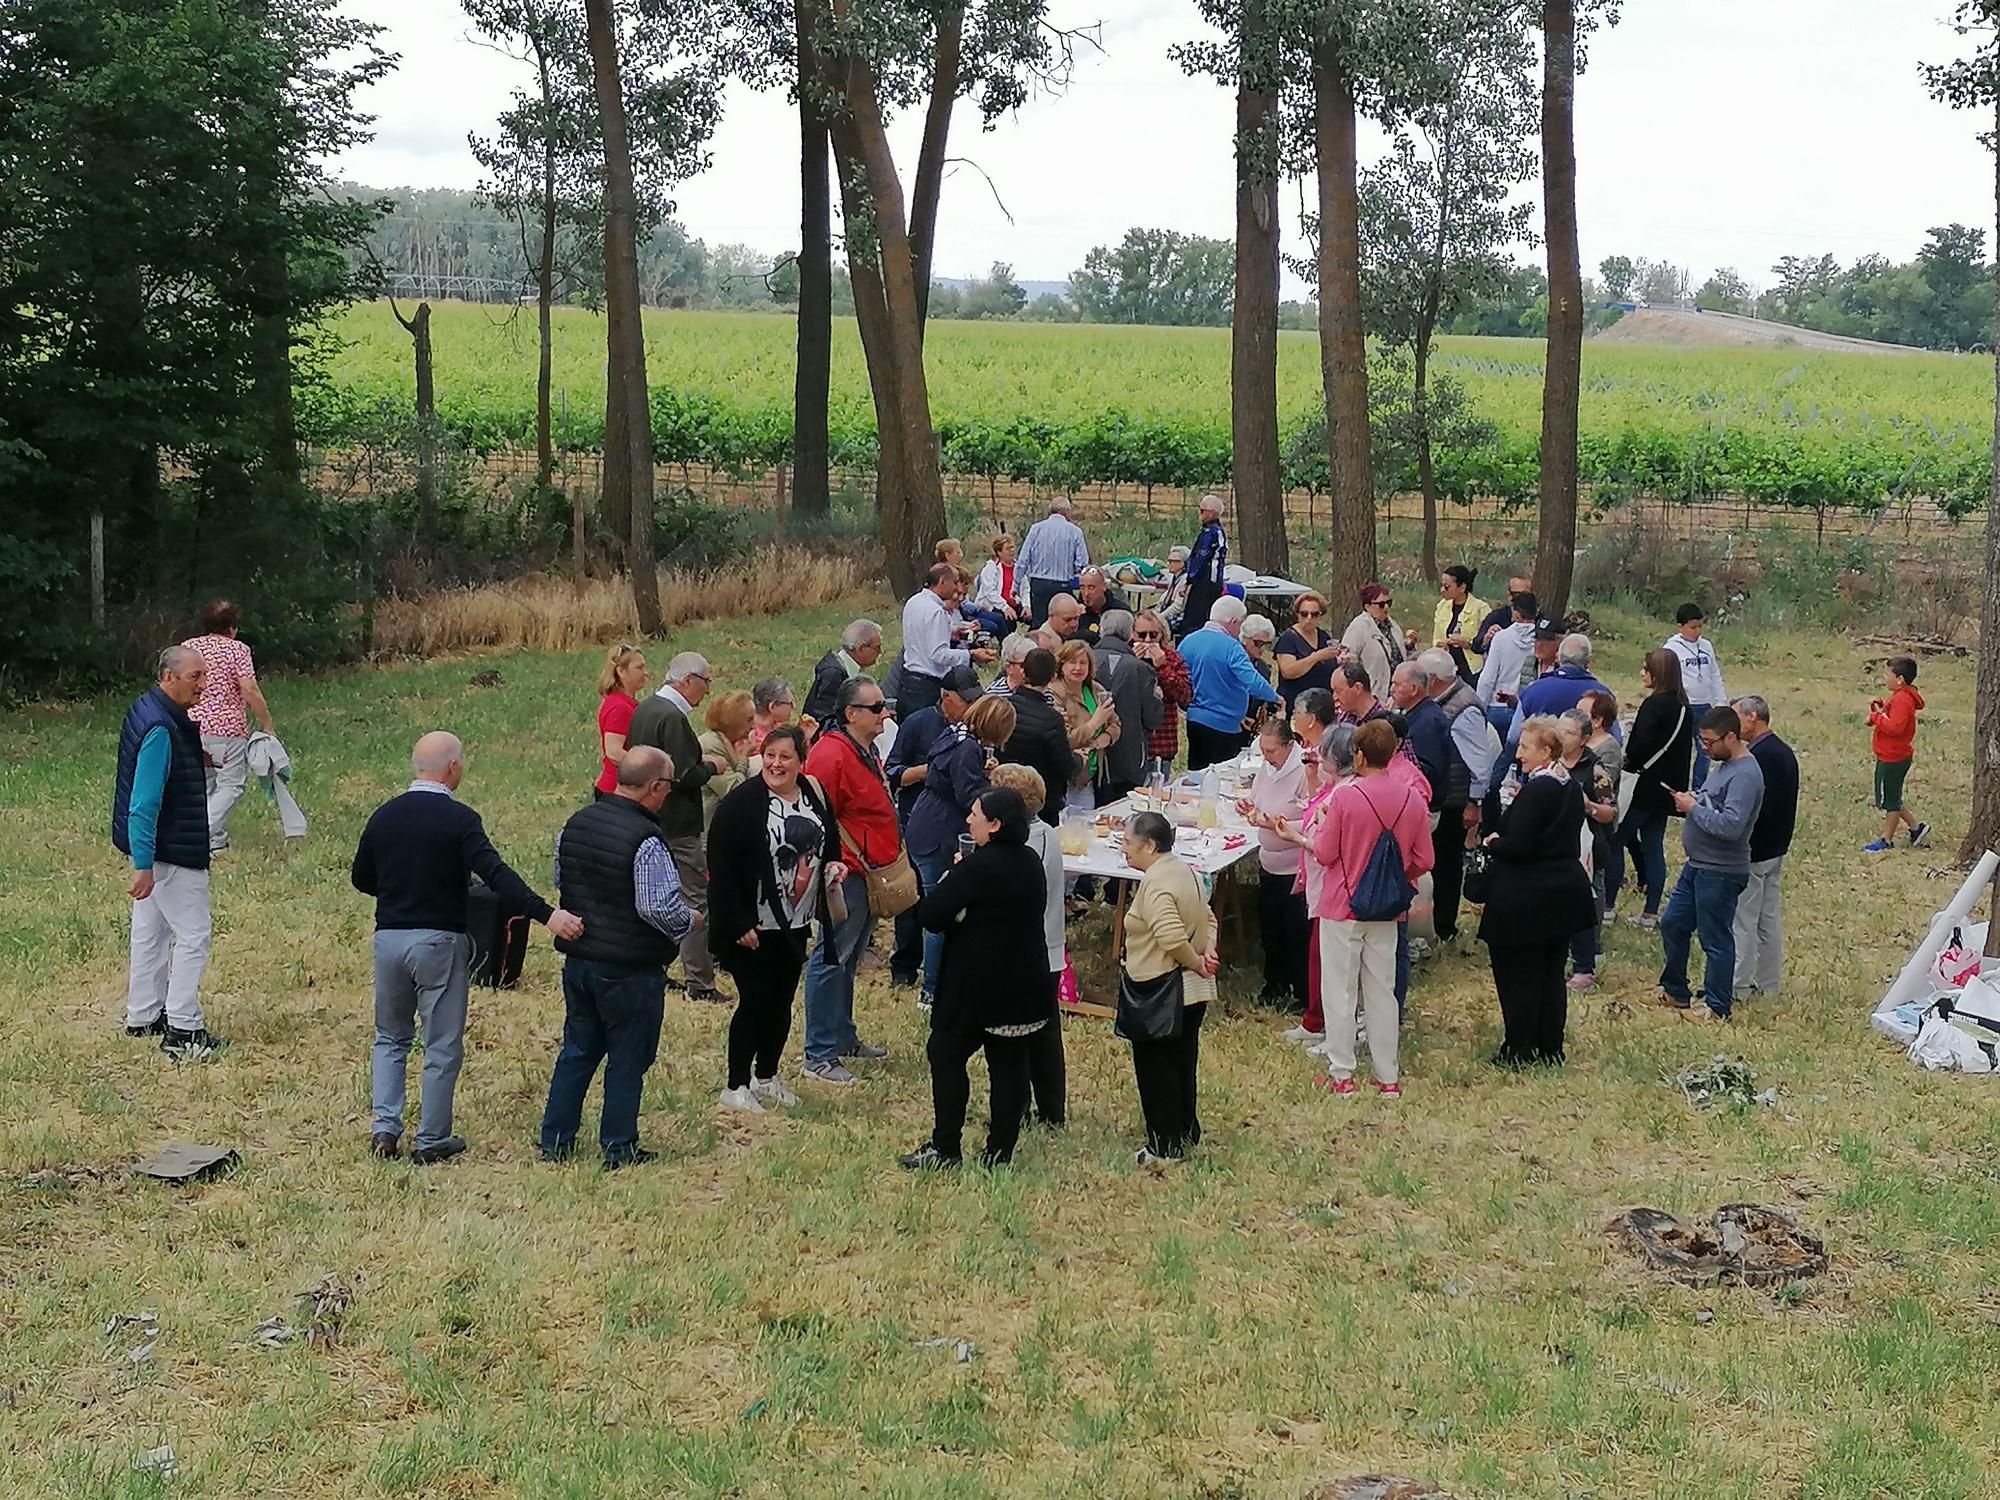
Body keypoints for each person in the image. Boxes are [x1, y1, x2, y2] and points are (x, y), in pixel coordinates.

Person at [353, 730, 582, 1162]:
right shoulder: (460, 820)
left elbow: (361, 878)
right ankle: (431, 1137)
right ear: (453, 767)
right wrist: (546, 914)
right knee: (440, 1043)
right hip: (439, 939)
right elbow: (497, 875)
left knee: (389, 1036)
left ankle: (385, 1128)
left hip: (388, 938)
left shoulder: (384, 816)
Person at [536, 747, 696, 1167]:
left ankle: (555, 1139)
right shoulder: (645, 838)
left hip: (581, 960)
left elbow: (560, 876)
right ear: (655, 787)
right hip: (630, 967)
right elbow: (656, 906)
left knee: (578, 1051)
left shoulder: (577, 823)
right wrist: (689, 922)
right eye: (668, 787)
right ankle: (619, 1146)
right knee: (628, 1058)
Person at [900, 787, 1051, 1169]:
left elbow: (931, 915)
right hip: (1023, 985)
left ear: (995, 825)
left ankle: (945, 1147)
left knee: (945, 1054)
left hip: (977, 989)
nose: (969, 820)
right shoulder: (1030, 860)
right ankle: (999, 1153)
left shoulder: (977, 868)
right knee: (1009, 1068)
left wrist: (954, 877)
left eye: (976, 814)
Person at [707, 726, 846, 1115]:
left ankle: (765, 1076)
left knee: (782, 1001)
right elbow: (722, 868)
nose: (776, 764)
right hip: (753, 925)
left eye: (786, 756)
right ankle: (735, 1085)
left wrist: (834, 864)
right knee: (755, 1003)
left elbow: (828, 837)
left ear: (801, 761)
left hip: (796, 923)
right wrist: (737, 922)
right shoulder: (742, 805)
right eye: (770, 755)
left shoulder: (812, 794)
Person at [1310, 720, 1433, 1098]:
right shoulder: (1412, 797)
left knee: (1340, 992)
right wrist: (1395, 876)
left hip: (1342, 906)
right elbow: (1424, 858)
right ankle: (1387, 1076)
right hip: (1388, 908)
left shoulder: (1345, 799)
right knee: (1382, 991)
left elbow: (1325, 853)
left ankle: (1342, 1074)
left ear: (1359, 755)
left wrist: (1320, 826)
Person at [115, 646, 222, 1054]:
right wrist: (143, 864)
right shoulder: (161, 728)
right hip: (173, 851)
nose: (203, 684)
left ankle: (143, 1014)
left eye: (204, 675)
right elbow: (144, 802)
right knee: (194, 935)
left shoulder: (148, 711)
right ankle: (183, 1029)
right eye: (195, 676)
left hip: (157, 848)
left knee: (150, 932)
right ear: (168, 676)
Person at [1478, 718, 1596, 1066]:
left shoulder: (1538, 790)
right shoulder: (1568, 785)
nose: (1518, 753)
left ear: (1547, 751)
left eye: (1526, 747)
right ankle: (1549, 1046)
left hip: (1527, 896)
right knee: (1550, 973)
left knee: (1518, 976)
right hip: (1562, 892)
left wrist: (1494, 841)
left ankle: (1519, 1047)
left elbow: (1521, 844)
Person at [801, 677, 900, 1084]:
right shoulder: (831, 756)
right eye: (876, 708)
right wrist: (832, 868)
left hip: (869, 869)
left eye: (884, 707)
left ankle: (841, 1037)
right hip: (846, 873)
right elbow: (817, 816)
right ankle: (818, 1054)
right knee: (831, 958)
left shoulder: (863, 749)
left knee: (849, 957)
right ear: (850, 713)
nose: (885, 714)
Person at [627, 654, 729, 1005]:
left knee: (653, 897)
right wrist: (711, 767)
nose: (707, 690)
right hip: (678, 823)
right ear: (688, 680)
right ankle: (700, 982)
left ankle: (654, 966)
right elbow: (684, 775)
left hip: (648, 817)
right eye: (706, 681)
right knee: (693, 897)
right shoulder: (672, 717)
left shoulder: (646, 709)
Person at [1653, 706, 1765, 1023]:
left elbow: (1732, 826)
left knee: (1715, 939)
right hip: (1698, 865)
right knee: (1673, 923)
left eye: (1710, 741)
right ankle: (1676, 990)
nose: (1705, 748)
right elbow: (1715, 802)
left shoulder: (1745, 773)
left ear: (1731, 736)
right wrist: (1698, 798)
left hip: (1721, 870)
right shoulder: (1725, 765)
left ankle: (1717, 1007)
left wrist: (1692, 809)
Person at [1119, 811, 1219, 1163]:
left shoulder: (1156, 883)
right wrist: (1208, 951)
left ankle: (1163, 1147)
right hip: (1193, 991)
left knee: (1156, 1069)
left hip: (1161, 990)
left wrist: (1193, 960)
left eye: (1129, 842)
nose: (1123, 848)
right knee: (1182, 1063)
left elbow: (1169, 935)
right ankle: (1185, 1130)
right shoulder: (1185, 871)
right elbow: (1208, 916)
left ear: (1150, 845)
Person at [907, 695, 1018, 1005]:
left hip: (924, 820)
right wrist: (998, 789)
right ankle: (930, 989)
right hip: (940, 830)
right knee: (940, 910)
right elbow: (969, 795)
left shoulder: (956, 733)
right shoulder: (968, 748)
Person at [883, 664, 983, 989]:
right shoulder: (919, 723)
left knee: (942, 902)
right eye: (964, 700)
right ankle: (904, 968)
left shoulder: (973, 729)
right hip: (918, 817)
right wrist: (932, 770)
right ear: (946, 697)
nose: (970, 706)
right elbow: (892, 771)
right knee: (913, 903)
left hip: (954, 828)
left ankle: (939, 973)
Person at [988, 763, 1068, 1127]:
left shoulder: (1020, 845)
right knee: (1047, 1036)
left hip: (1024, 951)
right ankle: (1052, 1108)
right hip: (1050, 947)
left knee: (1016, 1036)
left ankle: (1016, 1106)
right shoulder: (1048, 833)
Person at [1414, 649, 1498, 944]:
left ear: (1433, 679)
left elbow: (1480, 761)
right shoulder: (1446, 700)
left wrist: (1474, 802)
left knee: (1447, 864)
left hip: (1454, 799)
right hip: (1447, 794)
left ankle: (1443, 925)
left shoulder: (1465, 709)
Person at [181, 599, 277, 851]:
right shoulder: (237, 650)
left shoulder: (188, 648)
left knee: (205, 784)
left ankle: (216, 842)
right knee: (231, 785)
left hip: (190, 727)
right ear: (232, 627)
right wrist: (267, 724)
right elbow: (249, 689)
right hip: (226, 731)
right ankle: (201, 834)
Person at [1618, 649, 1693, 930]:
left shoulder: (1654, 705)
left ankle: (1609, 904)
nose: (1641, 673)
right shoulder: (1684, 707)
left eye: (1645, 668)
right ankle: (1651, 911)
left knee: (1617, 840)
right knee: (1653, 846)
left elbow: (1639, 747)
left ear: (1656, 674)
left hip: (1643, 785)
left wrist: (1630, 748)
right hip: (1666, 788)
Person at [1731, 695, 1798, 1001]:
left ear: (1753, 716)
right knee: (1768, 918)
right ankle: (1769, 983)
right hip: (1777, 846)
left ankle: (1738, 986)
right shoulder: (1783, 751)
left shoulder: (1759, 756)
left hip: (1756, 849)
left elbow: (1759, 807)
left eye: (1737, 718)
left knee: (1744, 919)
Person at [1242, 716, 1311, 1007]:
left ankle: (1301, 989)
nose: (1267, 757)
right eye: (1263, 751)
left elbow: (1310, 818)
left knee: (1295, 932)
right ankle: (1275, 982)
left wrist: (1273, 823)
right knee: (1271, 929)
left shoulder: (1304, 771)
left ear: (1289, 746)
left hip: (1293, 866)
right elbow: (1257, 798)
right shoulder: (1267, 768)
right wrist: (1249, 806)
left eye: (1271, 752)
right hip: (1269, 861)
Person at [1181, 596, 1282, 770]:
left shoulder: (1188, 641)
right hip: (1224, 725)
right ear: (1234, 621)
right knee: (1222, 777)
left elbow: (1181, 678)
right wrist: (1275, 697)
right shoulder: (1231, 647)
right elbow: (1252, 681)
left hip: (1195, 719)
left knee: (1196, 773)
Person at [1556, 709, 1618, 991]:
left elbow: (1610, 812)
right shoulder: (1551, 763)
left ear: (1584, 739)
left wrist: (1589, 806)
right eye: (1560, 729)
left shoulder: (1595, 771)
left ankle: (1585, 964)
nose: (1561, 736)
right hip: (1553, 845)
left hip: (1586, 848)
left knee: (1584, 904)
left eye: (1569, 732)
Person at [998, 647, 1082, 827]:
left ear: (1023, 671)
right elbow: (1065, 767)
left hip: (1002, 793)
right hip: (1040, 803)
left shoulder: (1004, 707)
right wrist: (1079, 759)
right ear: (1053, 677)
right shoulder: (1051, 719)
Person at [900, 563, 997, 717]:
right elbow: (938, 654)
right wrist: (971, 655)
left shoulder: (914, 601)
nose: (956, 588)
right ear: (942, 582)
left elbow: (922, 632)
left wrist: (953, 632)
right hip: (927, 685)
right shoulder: (935, 611)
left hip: (908, 678)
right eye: (954, 582)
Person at [1092, 610, 1163, 803]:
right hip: (1129, 756)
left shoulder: (1083, 661)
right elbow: (1153, 717)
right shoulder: (1140, 668)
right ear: (1130, 633)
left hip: (1090, 752)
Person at [1865, 655, 1930, 852]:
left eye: (1888, 674)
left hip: (1894, 757)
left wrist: (1876, 717)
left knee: (1890, 800)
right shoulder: (1899, 697)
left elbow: (1896, 727)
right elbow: (1891, 716)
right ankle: (1917, 828)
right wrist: (1881, 707)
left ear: (1900, 679)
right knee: (1890, 795)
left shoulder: (1903, 699)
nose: (1885, 678)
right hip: (1890, 754)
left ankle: (1886, 839)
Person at [1506, 632, 1607, 754]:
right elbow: (1614, 738)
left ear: (1558, 657)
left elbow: (1513, 737)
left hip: (1539, 764)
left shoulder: (1533, 689)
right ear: (1588, 661)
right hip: (1583, 766)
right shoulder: (1602, 695)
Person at [1663, 604, 1728, 791]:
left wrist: (1721, 701)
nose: (1697, 631)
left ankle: (1699, 788)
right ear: (1680, 627)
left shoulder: (1706, 646)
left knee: (1706, 750)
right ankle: (1678, 788)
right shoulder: (1672, 648)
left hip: (1704, 706)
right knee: (1681, 750)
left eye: (1700, 626)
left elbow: (1714, 674)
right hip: (1684, 706)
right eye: (1693, 627)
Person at [1053, 640, 1121, 813]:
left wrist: (1102, 740)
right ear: (1061, 665)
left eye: (1083, 663)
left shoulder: (1096, 689)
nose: (1078, 668)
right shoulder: (1055, 693)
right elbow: (1065, 740)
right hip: (1068, 777)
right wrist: (1095, 723)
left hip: (1093, 774)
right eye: (1072, 662)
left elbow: (1115, 723)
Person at [1132, 609, 1191, 782]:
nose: (1148, 641)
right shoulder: (1127, 657)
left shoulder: (1172, 658)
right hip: (1133, 745)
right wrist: (1134, 664)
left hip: (1162, 744)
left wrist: (1163, 667)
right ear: (1132, 635)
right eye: (1142, 635)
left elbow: (1185, 697)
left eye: (1153, 635)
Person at [1580, 690, 1625, 919]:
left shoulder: (1607, 749)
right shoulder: (1585, 744)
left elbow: (1603, 789)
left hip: (1598, 820)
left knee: (1595, 876)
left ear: (1597, 721)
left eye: (1582, 713)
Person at [1018, 497, 1091, 626]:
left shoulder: (1036, 529)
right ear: (1067, 511)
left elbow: (1023, 560)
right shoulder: (1075, 532)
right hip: (1062, 585)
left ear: (1050, 510)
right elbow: (1082, 563)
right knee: (1062, 624)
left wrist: (1016, 583)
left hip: (1038, 584)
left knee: (1039, 624)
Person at [1340, 583, 1417, 704]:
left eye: (1388, 603)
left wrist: (1408, 645)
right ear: (1367, 606)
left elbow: (1396, 656)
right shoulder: (1359, 627)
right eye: (1381, 605)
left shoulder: (1393, 626)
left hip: (1398, 694)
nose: (1386, 607)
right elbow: (1346, 659)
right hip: (1374, 694)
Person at [1475, 590, 1538, 736]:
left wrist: (1479, 707)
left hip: (1498, 704)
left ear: (1515, 612)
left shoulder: (1501, 638)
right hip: (1525, 707)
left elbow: (1488, 678)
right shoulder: (1540, 641)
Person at [1273, 590, 1341, 717]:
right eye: (1304, 614)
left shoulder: (1324, 636)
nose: (1309, 618)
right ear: (1297, 614)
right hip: (1296, 706)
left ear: (1321, 616)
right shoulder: (1288, 638)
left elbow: (1330, 666)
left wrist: (1340, 660)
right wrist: (1316, 657)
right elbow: (1288, 671)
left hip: (1322, 707)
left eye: (1314, 614)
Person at [803, 620, 884, 725]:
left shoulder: (842, 669)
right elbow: (824, 718)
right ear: (861, 649)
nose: (880, 652)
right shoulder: (833, 675)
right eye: (877, 648)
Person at [594, 644, 648, 799]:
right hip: (616, 792)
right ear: (621, 671)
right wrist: (645, 771)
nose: (646, 673)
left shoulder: (623, 703)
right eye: (639, 668)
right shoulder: (619, 707)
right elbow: (614, 752)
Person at [698, 690, 757, 827]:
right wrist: (744, 759)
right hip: (709, 831)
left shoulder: (728, 742)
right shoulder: (710, 745)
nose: (753, 726)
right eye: (749, 720)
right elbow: (734, 790)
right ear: (732, 720)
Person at [1176, 493, 1230, 637]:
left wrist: (1189, 580)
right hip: (1211, 583)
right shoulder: (1216, 532)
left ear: (1212, 513)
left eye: (1202, 510)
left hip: (1205, 584)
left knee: (1193, 623)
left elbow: (1201, 557)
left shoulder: (1210, 533)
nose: (1199, 514)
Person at [1432, 566, 1490, 686]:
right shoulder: (1442, 606)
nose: (1442, 590)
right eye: (1442, 585)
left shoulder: (1481, 609)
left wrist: (1468, 643)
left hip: (1472, 669)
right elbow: (1436, 638)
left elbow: (1488, 642)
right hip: (1447, 668)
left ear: (1462, 587)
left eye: (1447, 586)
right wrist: (1441, 645)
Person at [969, 533, 1029, 635]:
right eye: (1008, 548)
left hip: (1014, 602)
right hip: (995, 605)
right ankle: (1006, 644)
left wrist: (1027, 606)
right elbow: (990, 592)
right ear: (999, 552)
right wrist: (1005, 607)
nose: (1012, 551)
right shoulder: (991, 568)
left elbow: (1025, 589)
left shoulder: (1018, 568)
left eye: (1013, 547)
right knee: (1008, 620)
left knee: (1036, 616)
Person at [1475, 572, 1532, 652]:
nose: (1523, 599)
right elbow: (1476, 647)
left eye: (1527, 595)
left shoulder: (1538, 618)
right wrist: (1486, 639)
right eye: (1517, 594)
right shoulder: (1497, 616)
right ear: (1509, 595)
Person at [750, 676, 809, 753]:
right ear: (773, 706)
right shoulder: (752, 740)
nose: (794, 706)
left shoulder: (780, 729)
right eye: (790, 703)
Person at [1075, 567, 1131, 644]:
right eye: (1082, 587)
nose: (1086, 593)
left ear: (1104, 586)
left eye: (1091, 587)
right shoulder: (1074, 612)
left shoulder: (1120, 610)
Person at [1157, 544, 1192, 629]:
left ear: (1184, 563)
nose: (1169, 564)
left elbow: (1178, 607)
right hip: (1168, 613)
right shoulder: (1175, 578)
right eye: (1169, 561)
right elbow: (1164, 599)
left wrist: (1159, 617)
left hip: (1178, 617)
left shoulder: (1185, 580)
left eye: (1173, 561)